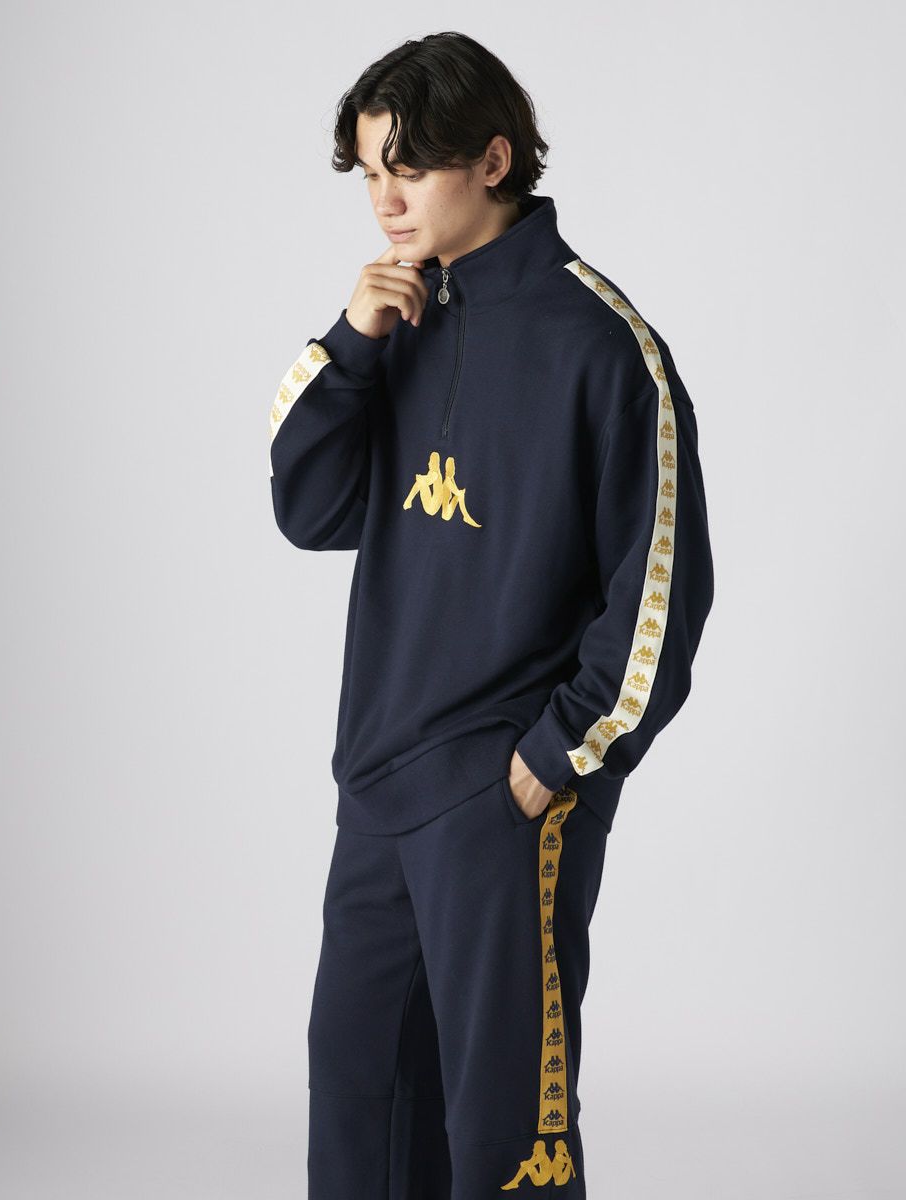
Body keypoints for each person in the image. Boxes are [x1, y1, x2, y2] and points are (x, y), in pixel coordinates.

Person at [267, 29, 714, 1199]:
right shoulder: (397, 324)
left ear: (495, 159)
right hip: (378, 783)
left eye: (408, 169)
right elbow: (309, 509)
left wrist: (554, 758)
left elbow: (661, 589)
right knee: (358, 1097)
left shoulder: (602, 347)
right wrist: (351, 346)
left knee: (504, 1122)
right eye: (370, 173)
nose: (384, 201)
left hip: (504, 798)